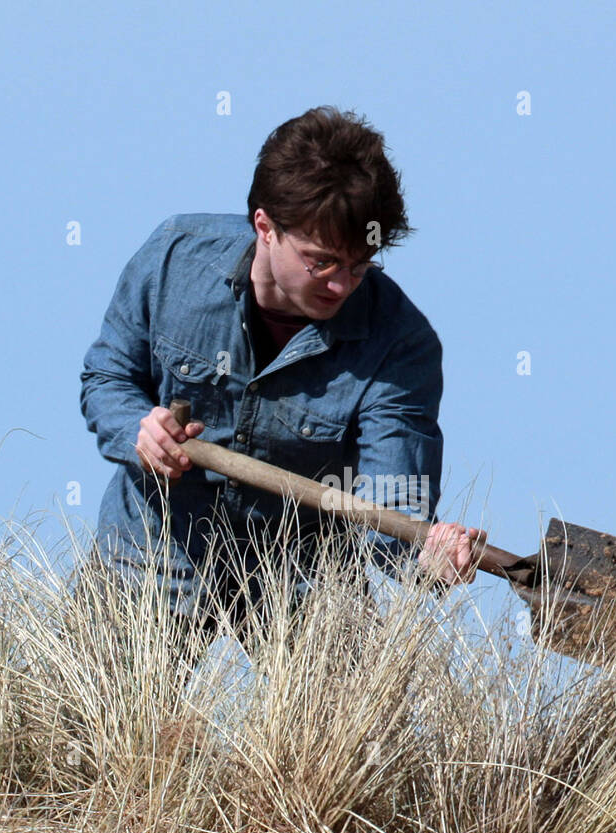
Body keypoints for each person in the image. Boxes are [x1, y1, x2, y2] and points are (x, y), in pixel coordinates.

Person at [77, 105, 484, 656]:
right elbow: (108, 376)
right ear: (265, 227)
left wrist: (426, 557)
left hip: (304, 581)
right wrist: (138, 431)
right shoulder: (172, 257)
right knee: (94, 735)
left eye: (361, 265)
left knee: (353, 741)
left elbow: (392, 506)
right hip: (150, 553)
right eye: (321, 262)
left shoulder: (400, 345)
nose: (342, 286)